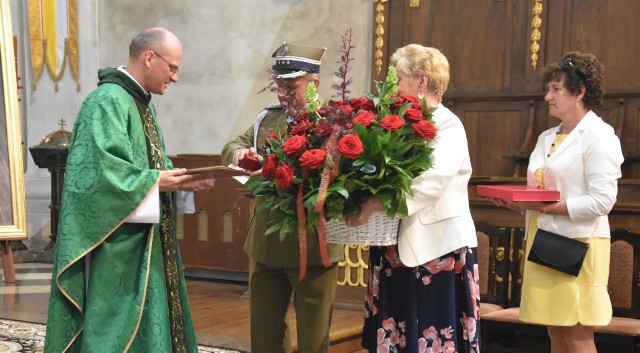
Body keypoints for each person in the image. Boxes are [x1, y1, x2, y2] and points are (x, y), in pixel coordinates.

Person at [44, 27, 211, 353]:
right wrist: (154, 182)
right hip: (114, 247)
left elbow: (146, 165)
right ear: (149, 57)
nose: (175, 78)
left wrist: (180, 182)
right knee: (117, 331)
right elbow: (97, 178)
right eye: (173, 68)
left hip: (144, 241)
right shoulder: (105, 102)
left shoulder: (141, 103)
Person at [346, 44, 480, 352]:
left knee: (433, 340)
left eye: (399, 78)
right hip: (394, 245)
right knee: (395, 338)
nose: (392, 86)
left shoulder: (447, 124)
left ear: (421, 82)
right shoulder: (398, 124)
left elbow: (431, 183)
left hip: (437, 250)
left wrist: (376, 203)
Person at [494, 52, 623, 353]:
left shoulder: (599, 136)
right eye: (549, 88)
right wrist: (519, 203)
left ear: (579, 93)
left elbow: (602, 200)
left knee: (577, 335)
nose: (547, 96)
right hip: (544, 242)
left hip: (579, 246)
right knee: (555, 332)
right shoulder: (546, 137)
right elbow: (540, 191)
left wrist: (546, 208)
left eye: (556, 89)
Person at [221, 42, 345, 353]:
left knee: (313, 340)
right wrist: (238, 151)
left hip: (314, 246)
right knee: (265, 337)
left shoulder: (335, 122)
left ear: (314, 83)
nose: (283, 93)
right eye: (279, 85)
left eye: (292, 86)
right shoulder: (267, 119)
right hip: (266, 245)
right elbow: (232, 146)